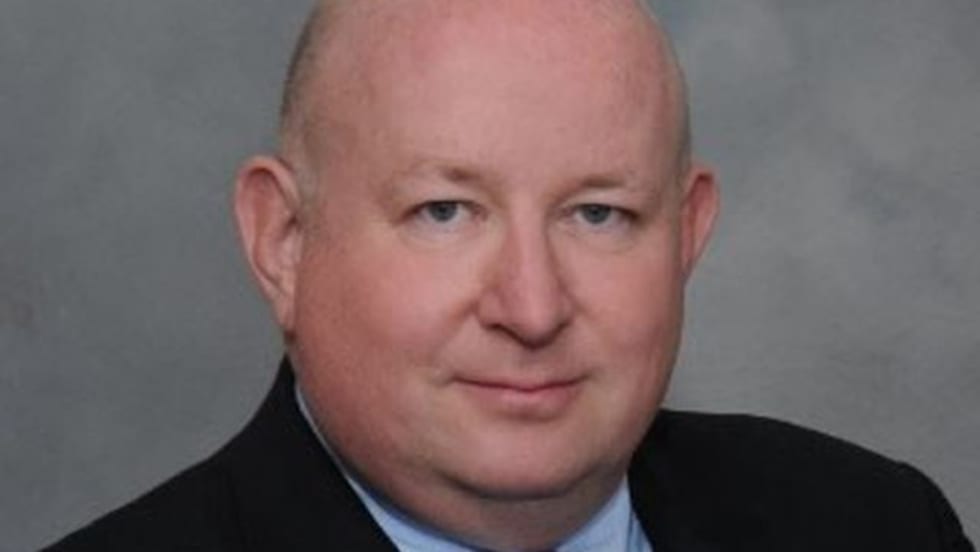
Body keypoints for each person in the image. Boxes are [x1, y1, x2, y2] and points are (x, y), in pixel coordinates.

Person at [46, 0, 973, 550]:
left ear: (686, 235)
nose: (532, 308)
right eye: (444, 211)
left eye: (598, 213)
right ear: (283, 240)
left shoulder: (879, 527)